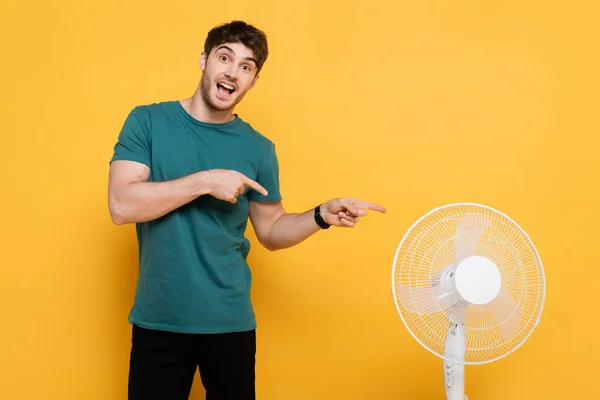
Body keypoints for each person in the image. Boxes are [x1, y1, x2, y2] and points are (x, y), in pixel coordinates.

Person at [108, 20, 386, 400]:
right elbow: (122, 205)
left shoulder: (258, 149)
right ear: (204, 60)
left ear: (253, 81)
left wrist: (321, 215)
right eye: (225, 58)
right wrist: (206, 181)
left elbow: (271, 230)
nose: (232, 72)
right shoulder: (148, 122)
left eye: (246, 66)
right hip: (159, 321)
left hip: (230, 325)